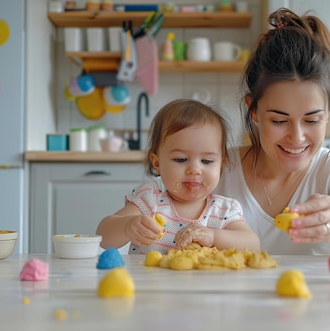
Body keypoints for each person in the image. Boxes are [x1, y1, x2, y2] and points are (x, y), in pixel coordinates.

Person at [214, 8, 330, 255]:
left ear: (327, 112)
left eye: (312, 120)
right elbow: (155, 204)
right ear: (253, 111)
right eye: (279, 121)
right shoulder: (217, 168)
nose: (296, 137)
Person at [97, 99, 261, 254]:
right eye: (181, 159)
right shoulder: (149, 203)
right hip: (150, 283)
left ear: (221, 164)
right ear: (157, 162)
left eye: (207, 161)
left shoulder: (223, 211)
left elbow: (253, 244)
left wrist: (214, 236)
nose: (195, 169)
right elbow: (103, 237)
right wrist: (126, 227)